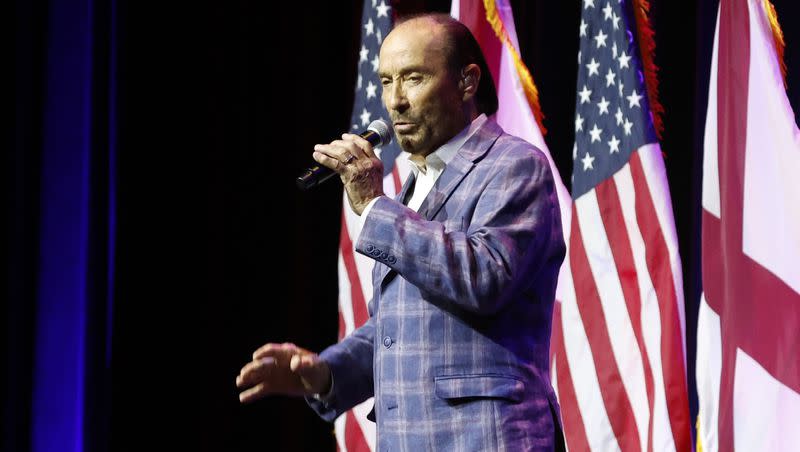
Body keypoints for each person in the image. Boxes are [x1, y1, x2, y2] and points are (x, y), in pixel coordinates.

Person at [236, 13, 566, 451]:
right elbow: (402, 325)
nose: (395, 102)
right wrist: (324, 373)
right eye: (386, 81)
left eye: (413, 78)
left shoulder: (514, 165)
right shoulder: (417, 183)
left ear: (467, 82)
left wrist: (374, 205)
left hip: (485, 439)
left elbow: (485, 276)